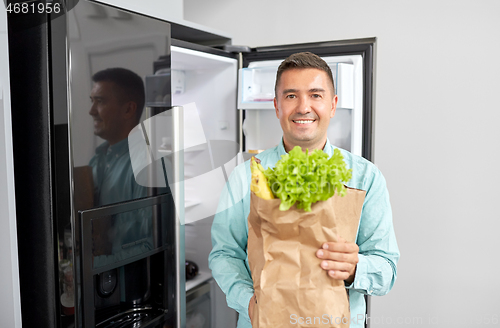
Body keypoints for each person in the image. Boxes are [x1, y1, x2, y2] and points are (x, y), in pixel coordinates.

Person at [209, 52, 399, 328]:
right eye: (291, 96)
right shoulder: (246, 177)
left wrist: (355, 268)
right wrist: (249, 301)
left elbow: (388, 270)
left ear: (333, 105)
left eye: (315, 95)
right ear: (276, 106)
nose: (303, 107)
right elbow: (224, 254)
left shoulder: (366, 178)